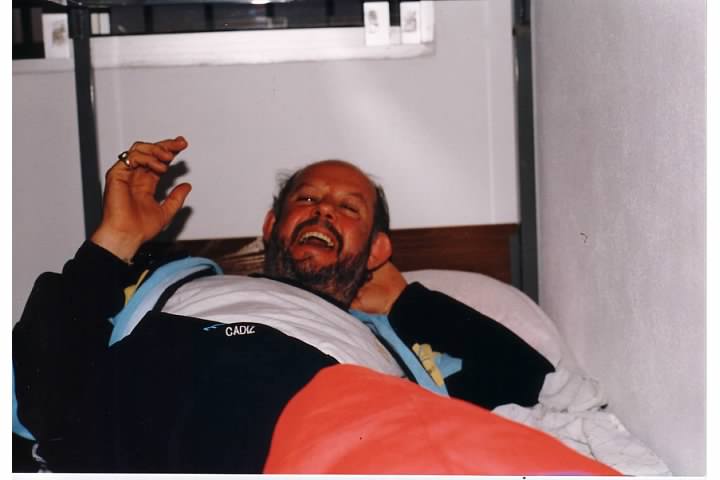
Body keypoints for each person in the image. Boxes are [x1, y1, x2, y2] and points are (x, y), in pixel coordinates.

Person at [12, 136, 554, 473]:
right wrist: (113, 244)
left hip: (327, 394)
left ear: (377, 250)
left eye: (349, 209)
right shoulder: (167, 286)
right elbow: (36, 383)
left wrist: (406, 302)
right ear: (272, 225)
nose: (323, 212)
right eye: (307, 198)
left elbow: (528, 380)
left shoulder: (393, 346)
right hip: (169, 363)